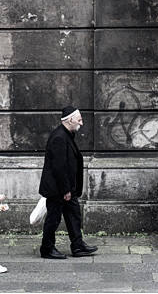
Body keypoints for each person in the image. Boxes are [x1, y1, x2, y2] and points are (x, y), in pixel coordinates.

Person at [37, 106, 98, 259]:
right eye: (79, 120)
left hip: (66, 187)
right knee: (53, 218)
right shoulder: (59, 137)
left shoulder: (66, 135)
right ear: (70, 120)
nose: (81, 123)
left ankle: (78, 246)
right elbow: (59, 167)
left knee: (73, 215)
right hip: (57, 189)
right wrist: (66, 190)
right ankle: (47, 249)